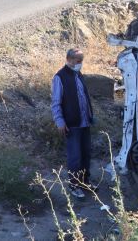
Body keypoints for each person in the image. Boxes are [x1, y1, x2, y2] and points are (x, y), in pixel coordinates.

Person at [51, 48, 95, 198]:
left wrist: (90, 115)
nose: (80, 64)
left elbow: (84, 98)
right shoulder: (60, 77)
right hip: (72, 125)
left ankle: (85, 182)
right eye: (78, 61)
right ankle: (74, 185)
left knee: (86, 154)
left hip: (85, 123)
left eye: (81, 61)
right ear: (69, 60)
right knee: (75, 157)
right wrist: (59, 121)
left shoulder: (78, 75)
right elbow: (56, 103)